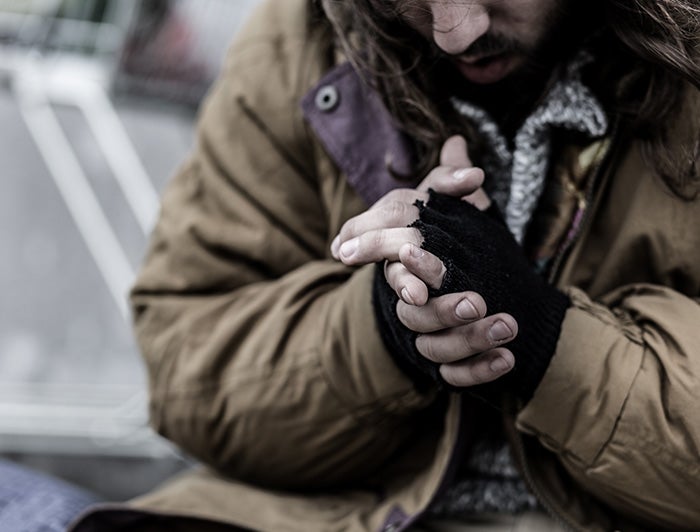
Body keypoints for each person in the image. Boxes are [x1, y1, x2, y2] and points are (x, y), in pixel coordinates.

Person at [70, 0, 699, 530]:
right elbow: (189, 373)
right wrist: (386, 329)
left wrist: (541, 337)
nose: (458, 30)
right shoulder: (300, 38)